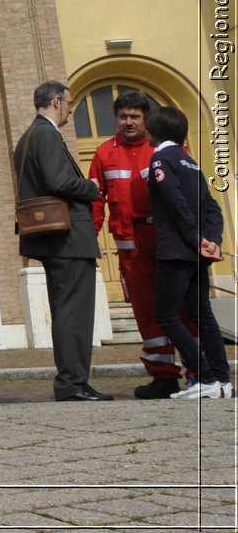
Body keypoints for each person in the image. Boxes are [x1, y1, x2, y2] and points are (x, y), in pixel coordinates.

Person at [14, 80, 110, 402]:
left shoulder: (29, 137)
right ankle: (72, 382)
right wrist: (91, 187)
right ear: (56, 101)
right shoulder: (45, 134)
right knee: (74, 311)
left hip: (55, 239)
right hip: (68, 238)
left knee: (66, 309)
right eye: (69, 103)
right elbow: (58, 181)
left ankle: (73, 380)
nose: (70, 109)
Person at [88, 90, 186, 399]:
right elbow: (95, 202)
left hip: (168, 242)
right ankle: (163, 376)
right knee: (147, 312)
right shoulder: (104, 153)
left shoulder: (164, 149)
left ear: (146, 119)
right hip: (132, 250)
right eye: (122, 116)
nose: (128, 122)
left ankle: (201, 371)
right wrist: (91, 238)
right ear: (115, 118)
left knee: (184, 308)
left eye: (135, 116)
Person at [145, 106, 232, 399]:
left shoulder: (161, 158)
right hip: (197, 251)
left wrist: (196, 238)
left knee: (167, 314)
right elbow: (212, 207)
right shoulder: (190, 161)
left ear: (155, 130)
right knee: (202, 314)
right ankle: (223, 380)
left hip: (176, 250)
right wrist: (213, 240)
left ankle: (205, 375)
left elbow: (174, 202)